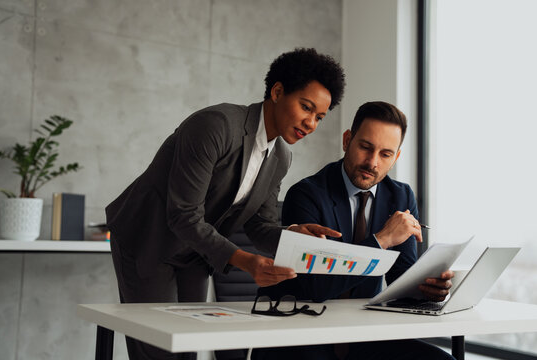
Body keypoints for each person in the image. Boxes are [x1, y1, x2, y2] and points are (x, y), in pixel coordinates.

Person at [105, 48, 345, 360]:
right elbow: (184, 214)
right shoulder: (215, 125)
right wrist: (246, 261)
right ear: (277, 91)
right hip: (149, 238)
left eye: (319, 117)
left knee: (187, 349)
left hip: (195, 252)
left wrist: (292, 234)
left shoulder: (281, 157)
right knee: (159, 351)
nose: (311, 123)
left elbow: (260, 227)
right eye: (306, 108)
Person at [253, 101, 455, 360]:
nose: (372, 162)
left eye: (385, 154)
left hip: (362, 335)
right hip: (300, 333)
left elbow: (400, 279)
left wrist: (427, 288)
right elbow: (316, 287)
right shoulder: (306, 195)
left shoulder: (401, 196)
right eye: (365, 147)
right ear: (347, 140)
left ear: (396, 157)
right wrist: (381, 240)